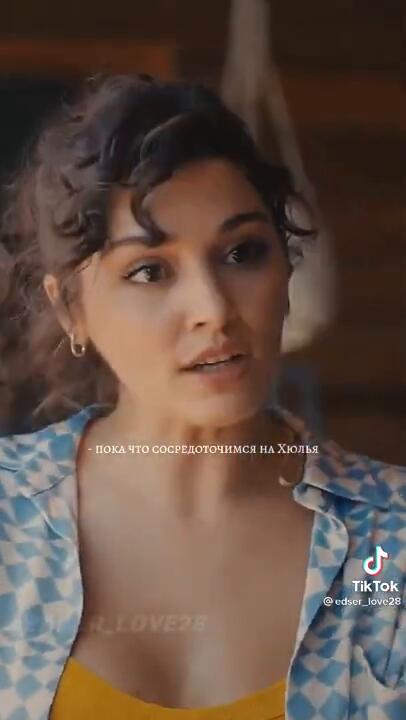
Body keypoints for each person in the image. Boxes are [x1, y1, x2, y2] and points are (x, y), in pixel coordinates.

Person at [0, 74, 404, 720]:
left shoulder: (389, 543)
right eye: (150, 271)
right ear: (71, 309)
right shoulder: (8, 520)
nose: (213, 309)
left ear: (286, 270)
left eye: (243, 253)